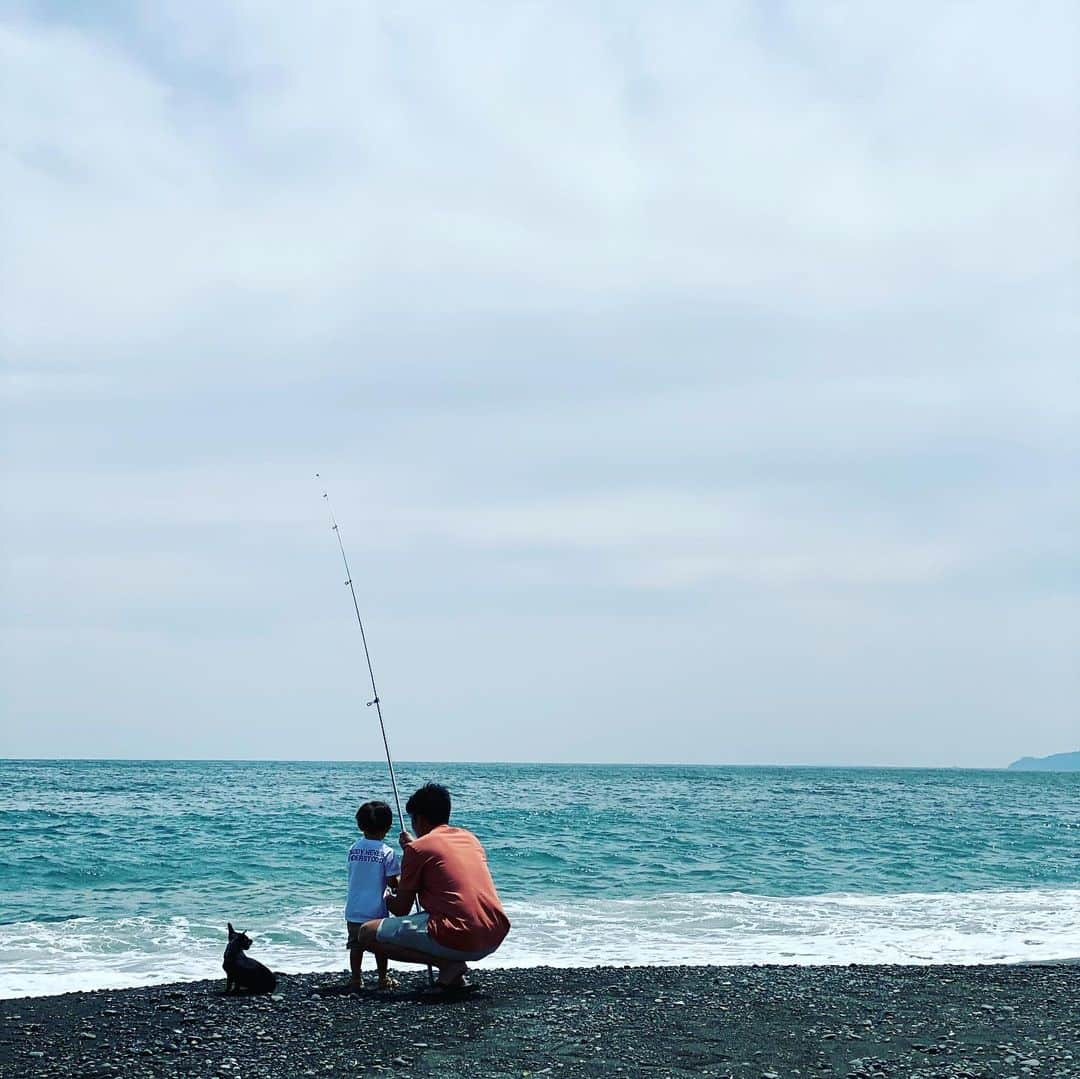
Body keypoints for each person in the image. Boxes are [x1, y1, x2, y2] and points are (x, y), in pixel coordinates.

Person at [355, 782, 510, 992]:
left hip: (461, 936)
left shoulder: (418, 849)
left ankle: (447, 966)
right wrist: (413, 849)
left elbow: (400, 908)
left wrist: (384, 894)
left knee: (366, 934)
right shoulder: (470, 839)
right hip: (493, 934)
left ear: (419, 819)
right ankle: (452, 969)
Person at [345, 799, 401, 990]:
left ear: (360, 825)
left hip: (353, 908)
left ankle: (355, 978)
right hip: (376, 909)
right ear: (388, 827)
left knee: (355, 946)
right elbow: (393, 881)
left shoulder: (353, 849)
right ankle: (383, 978)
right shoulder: (387, 852)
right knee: (380, 946)